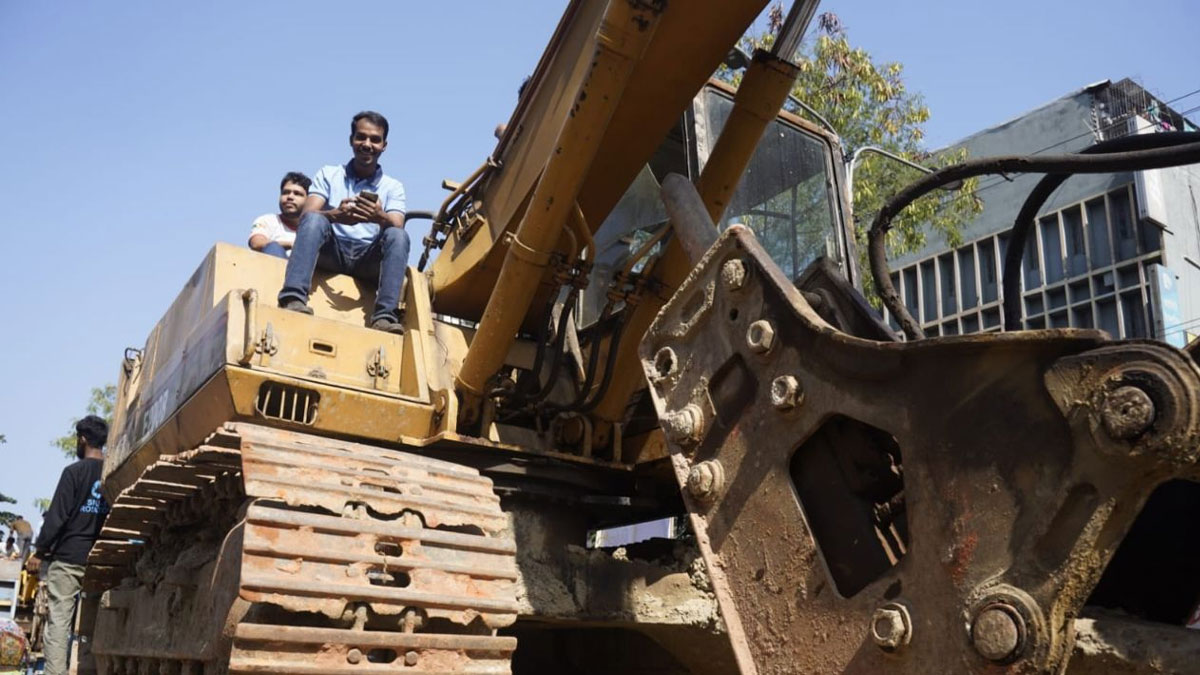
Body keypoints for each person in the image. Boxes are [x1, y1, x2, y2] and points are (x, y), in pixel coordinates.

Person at [277, 111, 409, 333]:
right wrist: (336, 216)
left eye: (375, 139)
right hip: (332, 251)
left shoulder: (393, 186)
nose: (367, 144)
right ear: (351, 140)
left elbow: (397, 224)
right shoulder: (329, 174)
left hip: (368, 259)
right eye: (361, 137)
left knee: (398, 235)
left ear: (384, 145)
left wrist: (379, 217)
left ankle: (385, 316)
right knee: (314, 220)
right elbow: (307, 214)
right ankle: (293, 298)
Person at [25, 416, 110, 675]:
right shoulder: (112, 472)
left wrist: (40, 551)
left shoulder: (74, 472)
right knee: (91, 626)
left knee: (59, 623)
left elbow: (57, 516)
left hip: (69, 558)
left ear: (82, 439)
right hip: (99, 559)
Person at [249, 172, 311, 258]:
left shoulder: (312, 230)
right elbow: (256, 243)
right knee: (273, 247)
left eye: (297, 194)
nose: (290, 197)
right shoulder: (267, 220)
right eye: (285, 192)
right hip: (273, 268)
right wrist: (289, 245)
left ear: (309, 200)